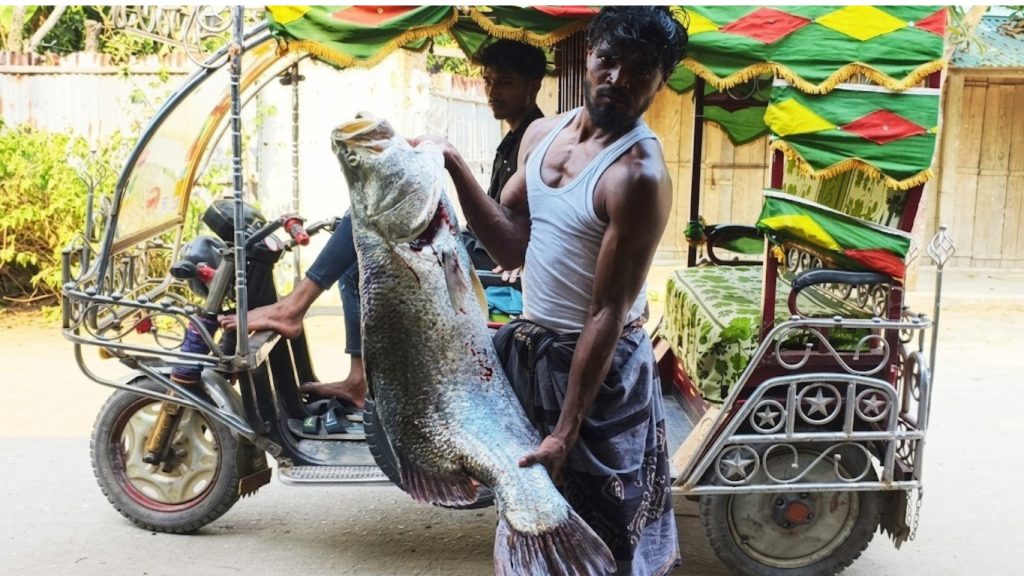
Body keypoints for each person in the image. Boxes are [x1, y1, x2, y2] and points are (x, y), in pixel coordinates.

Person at [412, 7, 687, 574]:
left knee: (605, 533)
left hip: (600, 373)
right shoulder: (542, 134)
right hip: (536, 355)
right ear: (590, 56)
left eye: (641, 69)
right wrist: (455, 164)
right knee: (532, 517)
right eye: (609, 60)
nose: (618, 79)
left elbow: (607, 311)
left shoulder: (637, 174)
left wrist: (567, 429)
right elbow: (511, 244)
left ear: (662, 81)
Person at [220, 39, 548, 409]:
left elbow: (523, 222)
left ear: (533, 84)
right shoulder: (512, 137)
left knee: (363, 218)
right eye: (487, 81)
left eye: (503, 82)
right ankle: (356, 376)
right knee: (356, 251)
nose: (491, 92)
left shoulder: (535, 137)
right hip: (476, 251)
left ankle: (295, 308)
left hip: (491, 267)